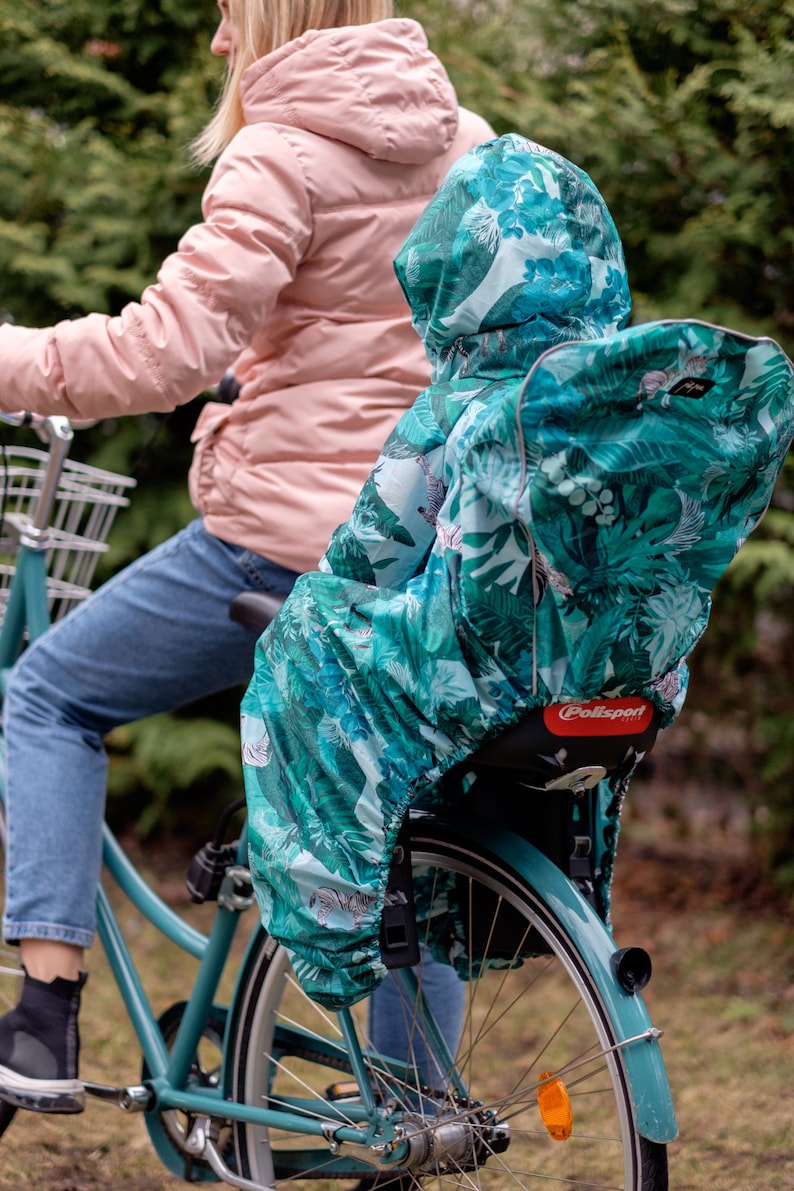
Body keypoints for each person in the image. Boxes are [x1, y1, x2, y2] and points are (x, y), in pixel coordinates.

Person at [0, 0, 494, 1115]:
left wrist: (13, 359)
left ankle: (41, 1022)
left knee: (45, 696)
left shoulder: (282, 147)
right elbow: (402, 340)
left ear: (281, 14)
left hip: (281, 545)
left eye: (231, 14)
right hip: (428, 559)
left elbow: (162, 349)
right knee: (410, 822)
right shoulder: (472, 143)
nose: (221, 44)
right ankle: (415, 1112)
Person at [241, 132, 794, 1009]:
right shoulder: (617, 405)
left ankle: (328, 931)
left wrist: (325, 601)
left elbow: (370, 556)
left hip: (481, 678)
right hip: (630, 683)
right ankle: (515, 914)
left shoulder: (459, 403)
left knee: (305, 641)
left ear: (452, 273)